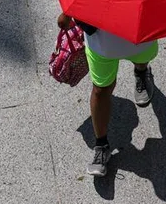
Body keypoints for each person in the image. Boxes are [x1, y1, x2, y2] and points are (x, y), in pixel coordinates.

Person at [57, 13, 158, 176]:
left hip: (141, 36)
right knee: (100, 89)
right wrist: (68, 13)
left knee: (141, 59)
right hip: (102, 44)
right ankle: (101, 145)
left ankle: (141, 72)